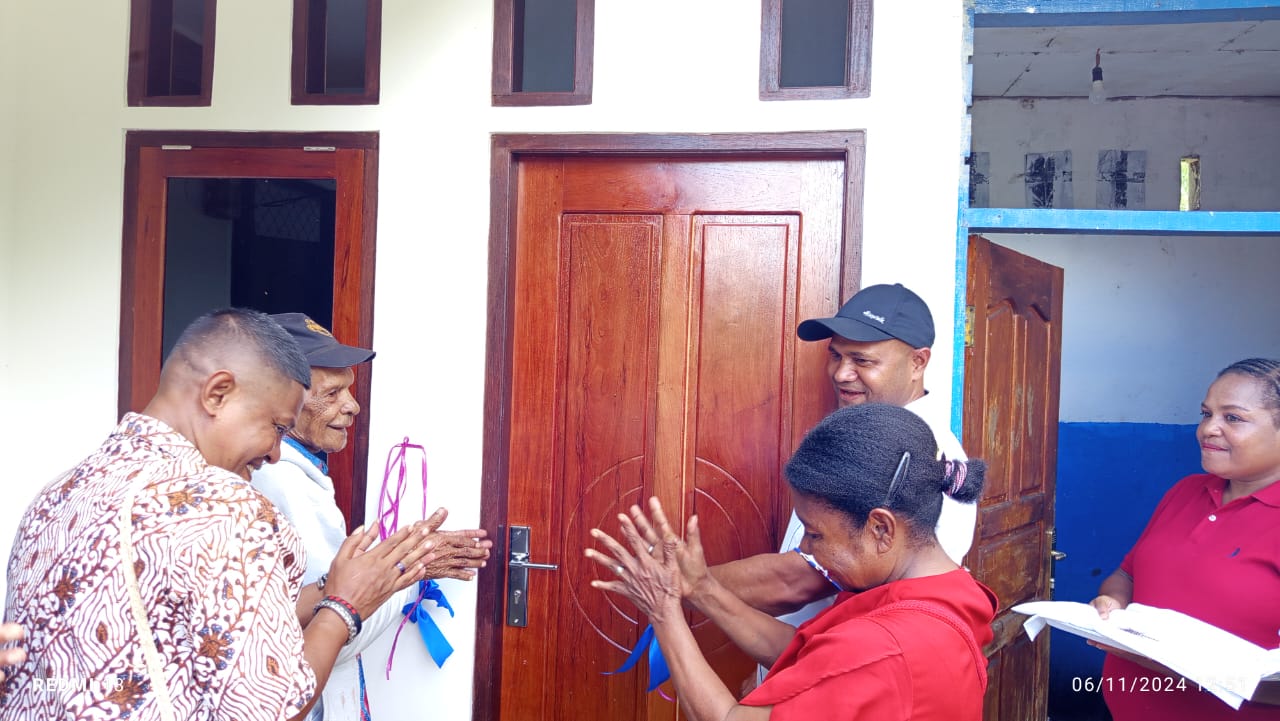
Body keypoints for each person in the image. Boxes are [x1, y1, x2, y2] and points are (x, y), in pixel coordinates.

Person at [2, 309, 430, 721]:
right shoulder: (225, 504)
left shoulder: (57, 493)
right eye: (277, 428)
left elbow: (187, 628)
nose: (275, 453)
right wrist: (343, 608)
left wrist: (328, 588)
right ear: (217, 393)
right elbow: (273, 709)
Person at [587, 403, 996, 720]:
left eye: (815, 534)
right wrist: (702, 589)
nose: (807, 549)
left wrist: (663, 610)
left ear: (881, 529)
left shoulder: (887, 647)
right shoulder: (940, 592)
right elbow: (808, 653)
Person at [707, 283, 977, 683]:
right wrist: (765, 675)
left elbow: (797, 581)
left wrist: (686, 581)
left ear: (917, 362)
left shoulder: (922, 453)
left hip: (839, 685)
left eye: (862, 360)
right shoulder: (872, 434)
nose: (840, 373)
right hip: (804, 668)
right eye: (835, 355)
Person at [251, 313, 492, 721]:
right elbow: (335, 631)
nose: (353, 406)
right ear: (280, 399)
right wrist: (407, 570)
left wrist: (398, 565)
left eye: (348, 389)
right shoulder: (280, 481)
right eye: (332, 393)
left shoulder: (295, 471)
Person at [1091, 358, 1280, 720]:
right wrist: (1112, 603)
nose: (1208, 429)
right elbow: (1127, 574)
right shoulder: (1186, 491)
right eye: (1206, 414)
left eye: (1233, 418)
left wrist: (1174, 667)